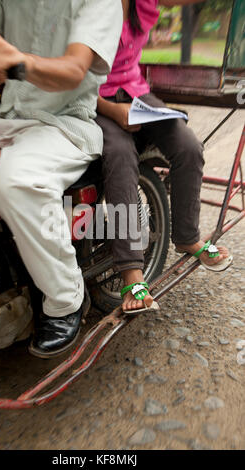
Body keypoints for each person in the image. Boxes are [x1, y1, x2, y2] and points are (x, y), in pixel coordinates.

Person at [0, 0, 123, 358]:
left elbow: (73, 71)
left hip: (63, 125)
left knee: (10, 182)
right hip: (2, 120)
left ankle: (65, 299)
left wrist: (14, 62)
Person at [96, 0, 232, 314]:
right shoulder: (87, 6)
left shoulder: (144, 2)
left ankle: (187, 237)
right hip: (95, 101)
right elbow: (72, 77)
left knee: (188, 146)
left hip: (135, 92)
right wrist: (112, 111)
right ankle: (131, 270)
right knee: (120, 155)